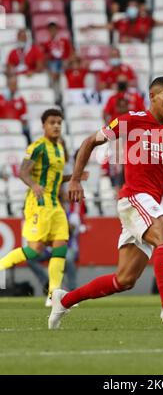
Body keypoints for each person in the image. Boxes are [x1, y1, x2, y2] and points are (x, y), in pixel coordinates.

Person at [48, 76, 163, 329]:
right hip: (133, 198)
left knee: (125, 280)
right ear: (153, 96)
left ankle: (65, 300)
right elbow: (89, 142)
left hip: (147, 203)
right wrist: (74, 180)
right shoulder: (131, 120)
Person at [0, 109, 88, 306]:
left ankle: (53, 295)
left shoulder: (59, 148)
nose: (56, 126)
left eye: (59, 122)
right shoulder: (38, 146)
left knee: (61, 247)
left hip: (55, 204)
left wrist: (74, 178)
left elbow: (54, 179)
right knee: (35, 250)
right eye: (52, 122)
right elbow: (23, 172)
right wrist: (34, 185)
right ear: (44, 126)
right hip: (38, 203)